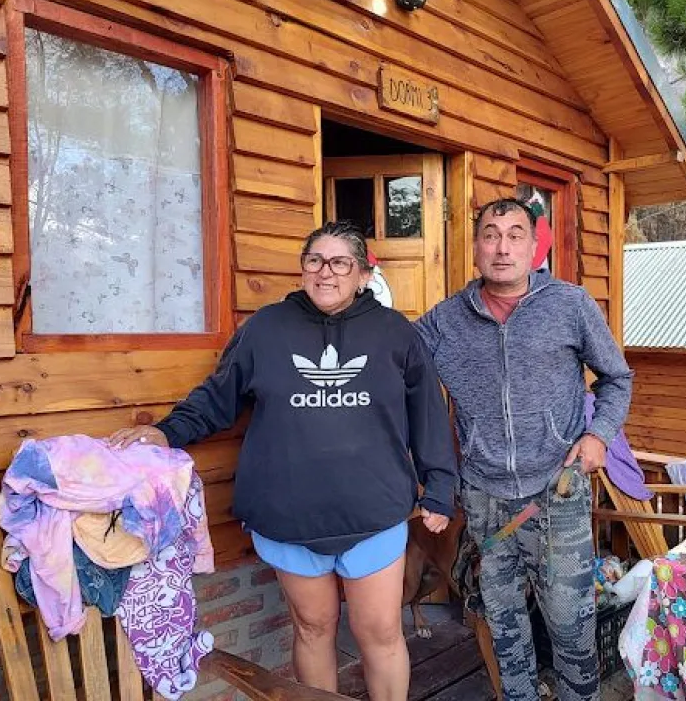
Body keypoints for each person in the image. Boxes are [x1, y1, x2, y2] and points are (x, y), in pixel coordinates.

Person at [110, 221, 458, 701]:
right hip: (287, 512)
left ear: (362, 274)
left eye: (341, 263)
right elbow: (218, 398)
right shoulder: (266, 329)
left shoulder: (395, 333)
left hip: (373, 513)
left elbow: (428, 414)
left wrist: (439, 487)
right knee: (314, 627)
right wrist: (165, 431)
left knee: (379, 634)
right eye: (315, 261)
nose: (326, 272)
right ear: (302, 270)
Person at [415, 199, 633, 701]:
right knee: (505, 625)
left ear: (535, 248)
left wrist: (598, 435)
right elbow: (392, 362)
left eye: (515, 234)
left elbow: (616, 377)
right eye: (490, 234)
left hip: (556, 495)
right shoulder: (446, 320)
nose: (502, 246)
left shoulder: (571, 305)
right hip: (486, 504)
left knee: (571, 628)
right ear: (475, 247)